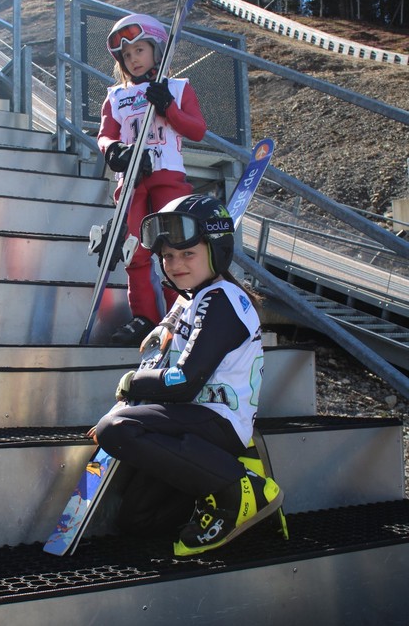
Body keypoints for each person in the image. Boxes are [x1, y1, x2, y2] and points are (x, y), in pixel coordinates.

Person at [93, 193, 284, 557]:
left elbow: (184, 381)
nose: (175, 264)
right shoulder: (200, 295)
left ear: (216, 251)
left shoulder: (223, 299)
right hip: (189, 422)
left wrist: (132, 383)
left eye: (187, 254)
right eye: (167, 256)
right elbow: (182, 312)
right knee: (137, 520)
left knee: (115, 429)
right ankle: (214, 484)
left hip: (216, 421)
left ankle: (239, 488)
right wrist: (164, 326)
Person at [98, 13, 207, 346]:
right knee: (134, 250)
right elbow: (105, 135)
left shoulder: (177, 88)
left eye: (140, 50)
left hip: (167, 178)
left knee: (173, 246)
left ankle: (180, 316)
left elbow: (197, 130)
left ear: (157, 50)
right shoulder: (116, 95)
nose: (133, 59)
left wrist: (169, 108)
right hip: (131, 181)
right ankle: (144, 319)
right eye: (127, 55)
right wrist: (113, 150)